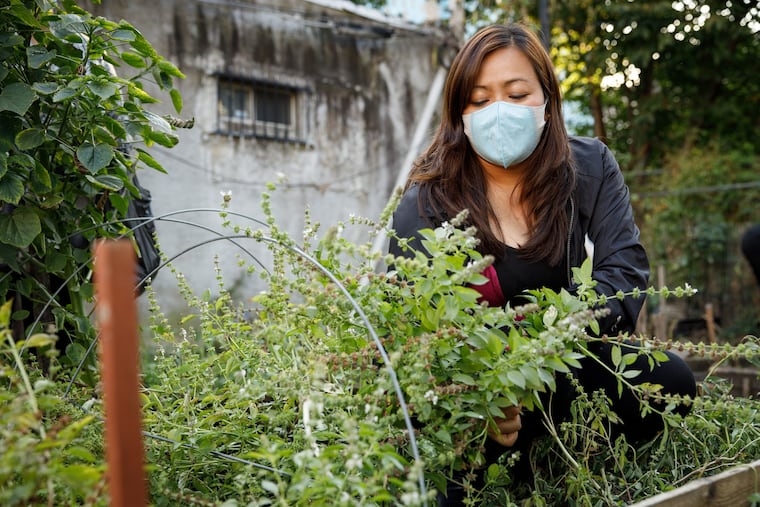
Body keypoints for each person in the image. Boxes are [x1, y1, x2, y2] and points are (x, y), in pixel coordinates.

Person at [387, 23, 697, 505]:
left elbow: (624, 274)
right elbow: (409, 332)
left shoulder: (588, 168)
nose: (498, 111)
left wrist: (541, 353)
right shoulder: (427, 204)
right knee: (447, 480)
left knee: (669, 380)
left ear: (546, 101)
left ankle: (560, 461)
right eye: (479, 99)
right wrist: (486, 396)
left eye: (516, 93)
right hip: (475, 391)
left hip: (563, 365)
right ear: (459, 114)